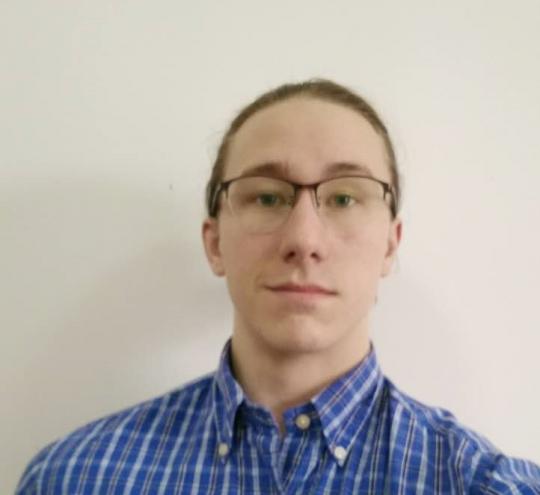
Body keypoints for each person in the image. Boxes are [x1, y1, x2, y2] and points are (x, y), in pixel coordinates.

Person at [17, 79, 540, 494]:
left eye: (344, 198)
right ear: (215, 243)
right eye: (267, 197)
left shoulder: (481, 484)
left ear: (390, 244)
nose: (303, 240)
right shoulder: (74, 478)